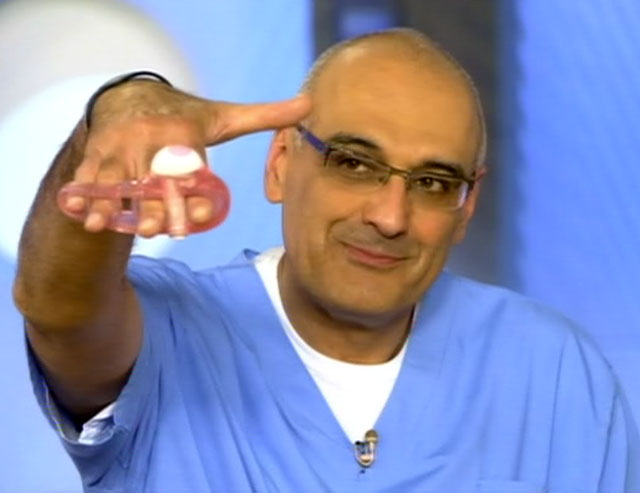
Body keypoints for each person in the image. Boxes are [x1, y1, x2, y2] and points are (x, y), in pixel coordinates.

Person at [13, 28, 640, 492]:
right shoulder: (168, 332)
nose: (390, 217)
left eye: (432, 183)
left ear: (467, 205)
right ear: (281, 163)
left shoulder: (553, 374)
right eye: (354, 163)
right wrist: (120, 114)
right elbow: (57, 307)